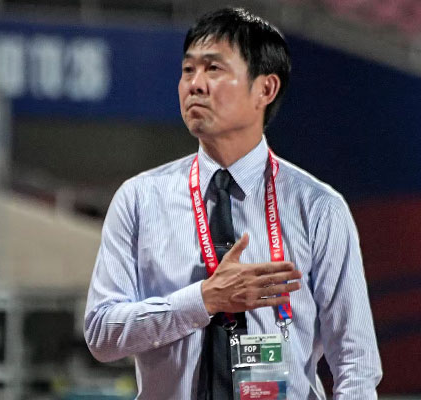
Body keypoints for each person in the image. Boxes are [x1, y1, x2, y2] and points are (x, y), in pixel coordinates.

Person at [84, 7, 382, 399]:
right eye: (188, 70)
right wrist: (203, 299)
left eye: (214, 69)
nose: (196, 84)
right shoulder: (140, 199)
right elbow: (102, 334)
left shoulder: (319, 208)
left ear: (265, 89)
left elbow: (355, 363)